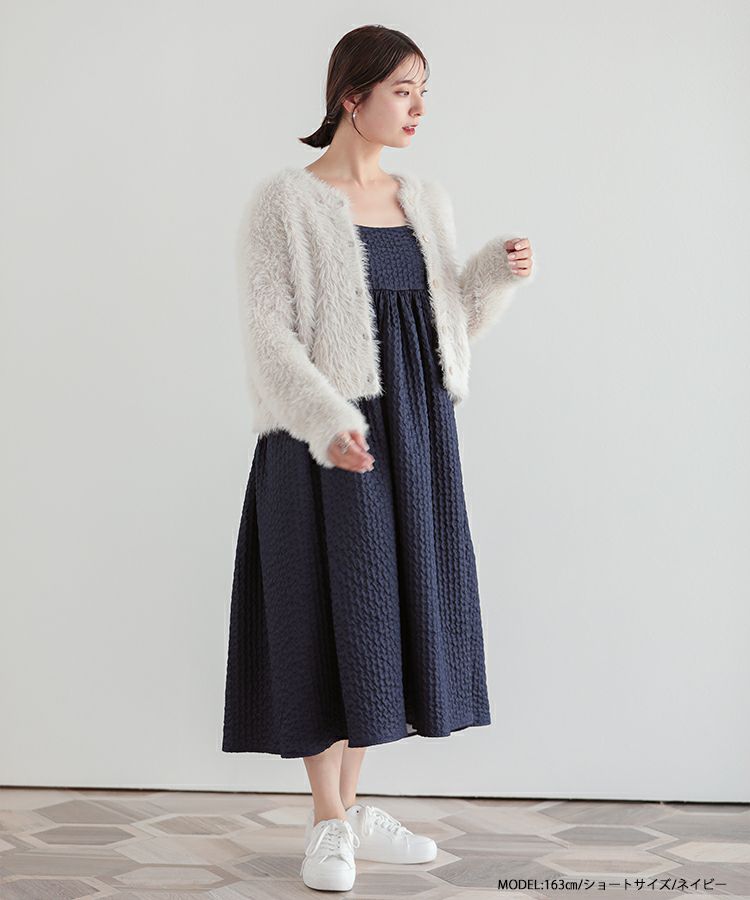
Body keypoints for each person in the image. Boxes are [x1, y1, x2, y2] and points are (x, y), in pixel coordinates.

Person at [222, 24, 535, 892]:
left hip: (415, 437)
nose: (419, 107)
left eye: (424, 91)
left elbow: (444, 327)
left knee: (382, 619)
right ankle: (327, 820)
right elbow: (269, 338)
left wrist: (495, 274)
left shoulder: (423, 199)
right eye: (404, 90)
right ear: (350, 97)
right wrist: (326, 421)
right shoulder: (284, 204)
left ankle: (353, 812)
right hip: (323, 443)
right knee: (320, 613)